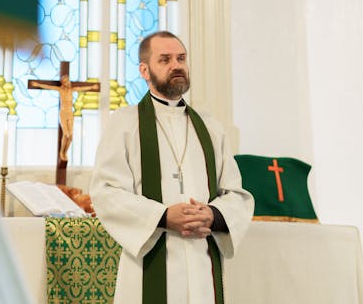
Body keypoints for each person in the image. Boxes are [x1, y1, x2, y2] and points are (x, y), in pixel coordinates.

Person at [90, 31, 254, 304]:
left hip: (203, 261)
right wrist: (163, 216)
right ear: (145, 70)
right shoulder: (124, 123)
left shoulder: (210, 127)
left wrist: (213, 215)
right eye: (164, 59)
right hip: (150, 259)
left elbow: (237, 194)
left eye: (181, 58)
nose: (176, 65)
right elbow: (106, 192)